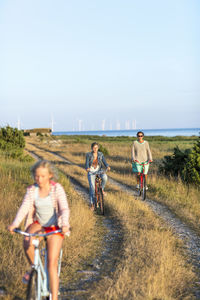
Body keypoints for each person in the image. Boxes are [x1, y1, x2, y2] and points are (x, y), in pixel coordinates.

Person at [8, 160, 70, 300]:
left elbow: (64, 208)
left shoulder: (56, 189)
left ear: (50, 175)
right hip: (39, 224)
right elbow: (24, 207)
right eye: (37, 176)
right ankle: (34, 268)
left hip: (55, 226)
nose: (39, 179)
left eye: (42, 176)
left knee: (51, 264)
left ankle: (53, 297)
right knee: (27, 240)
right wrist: (15, 223)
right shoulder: (32, 190)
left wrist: (65, 224)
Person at [85, 142, 110, 210]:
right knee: (92, 188)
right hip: (91, 171)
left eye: (96, 147)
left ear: (98, 148)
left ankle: (101, 189)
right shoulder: (88, 155)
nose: (95, 149)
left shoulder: (100, 154)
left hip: (99, 170)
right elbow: (86, 163)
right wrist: (87, 168)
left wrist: (107, 166)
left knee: (105, 177)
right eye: (94, 147)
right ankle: (92, 204)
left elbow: (104, 161)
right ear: (91, 148)